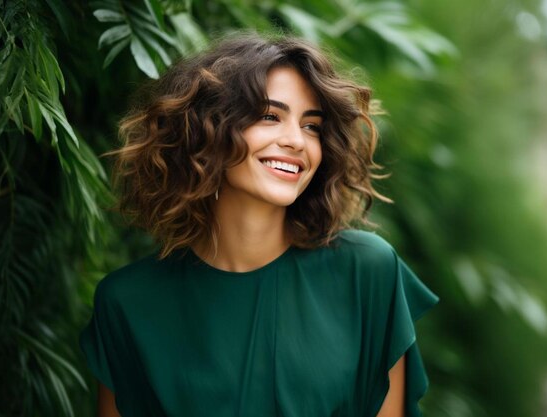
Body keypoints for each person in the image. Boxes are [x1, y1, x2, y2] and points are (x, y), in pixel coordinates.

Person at [79, 32, 438, 417]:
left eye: (312, 126)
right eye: (270, 116)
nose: (297, 141)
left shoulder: (366, 272)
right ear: (208, 129)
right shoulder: (128, 303)